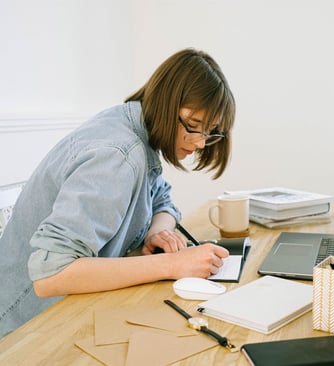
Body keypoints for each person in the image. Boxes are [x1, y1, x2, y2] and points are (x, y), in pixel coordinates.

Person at [0, 48, 236, 337]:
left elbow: (162, 199)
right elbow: (51, 274)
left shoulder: (135, 128)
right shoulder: (119, 156)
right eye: (193, 127)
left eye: (209, 131)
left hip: (72, 311)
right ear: (166, 102)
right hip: (24, 329)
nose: (200, 143)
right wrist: (172, 263)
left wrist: (157, 233)